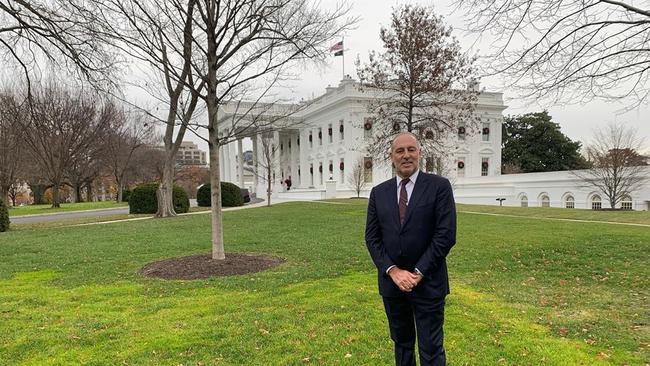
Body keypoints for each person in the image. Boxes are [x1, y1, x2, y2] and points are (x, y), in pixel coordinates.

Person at [365, 132, 457, 366]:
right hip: (392, 286)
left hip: (428, 283)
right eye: (400, 151)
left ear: (419, 153)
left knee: (432, 349)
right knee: (403, 346)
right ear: (392, 157)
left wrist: (418, 273)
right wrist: (393, 271)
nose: (406, 155)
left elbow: (445, 235)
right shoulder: (379, 193)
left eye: (411, 150)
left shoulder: (439, 187)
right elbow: (372, 238)